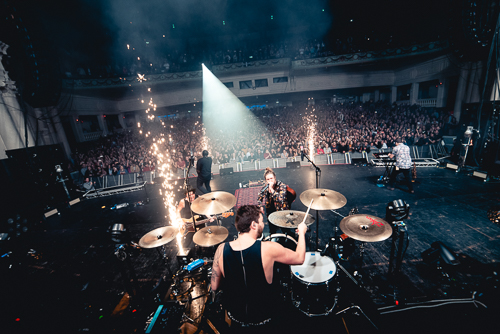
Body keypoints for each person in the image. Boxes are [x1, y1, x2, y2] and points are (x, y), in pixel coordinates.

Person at [211, 205, 307, 333]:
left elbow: (214, 286)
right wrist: (302, 233)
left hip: (236, 322)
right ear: (253, 225)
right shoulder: (268, 248)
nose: (263, 224)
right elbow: (299, 258)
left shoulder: (221, 250)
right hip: (265, 323)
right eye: (261, 221)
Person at [257, 167, 290, 235]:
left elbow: (281, 199)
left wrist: (272, 190)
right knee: (272, 232)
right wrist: (260, 206)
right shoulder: (266, 187)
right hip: (271, 213)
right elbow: (259, 197)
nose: (270, 181)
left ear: (275, 177)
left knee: (285, 232)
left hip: (282, 213)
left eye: (271, 178)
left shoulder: (281, 186)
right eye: (268, 179)